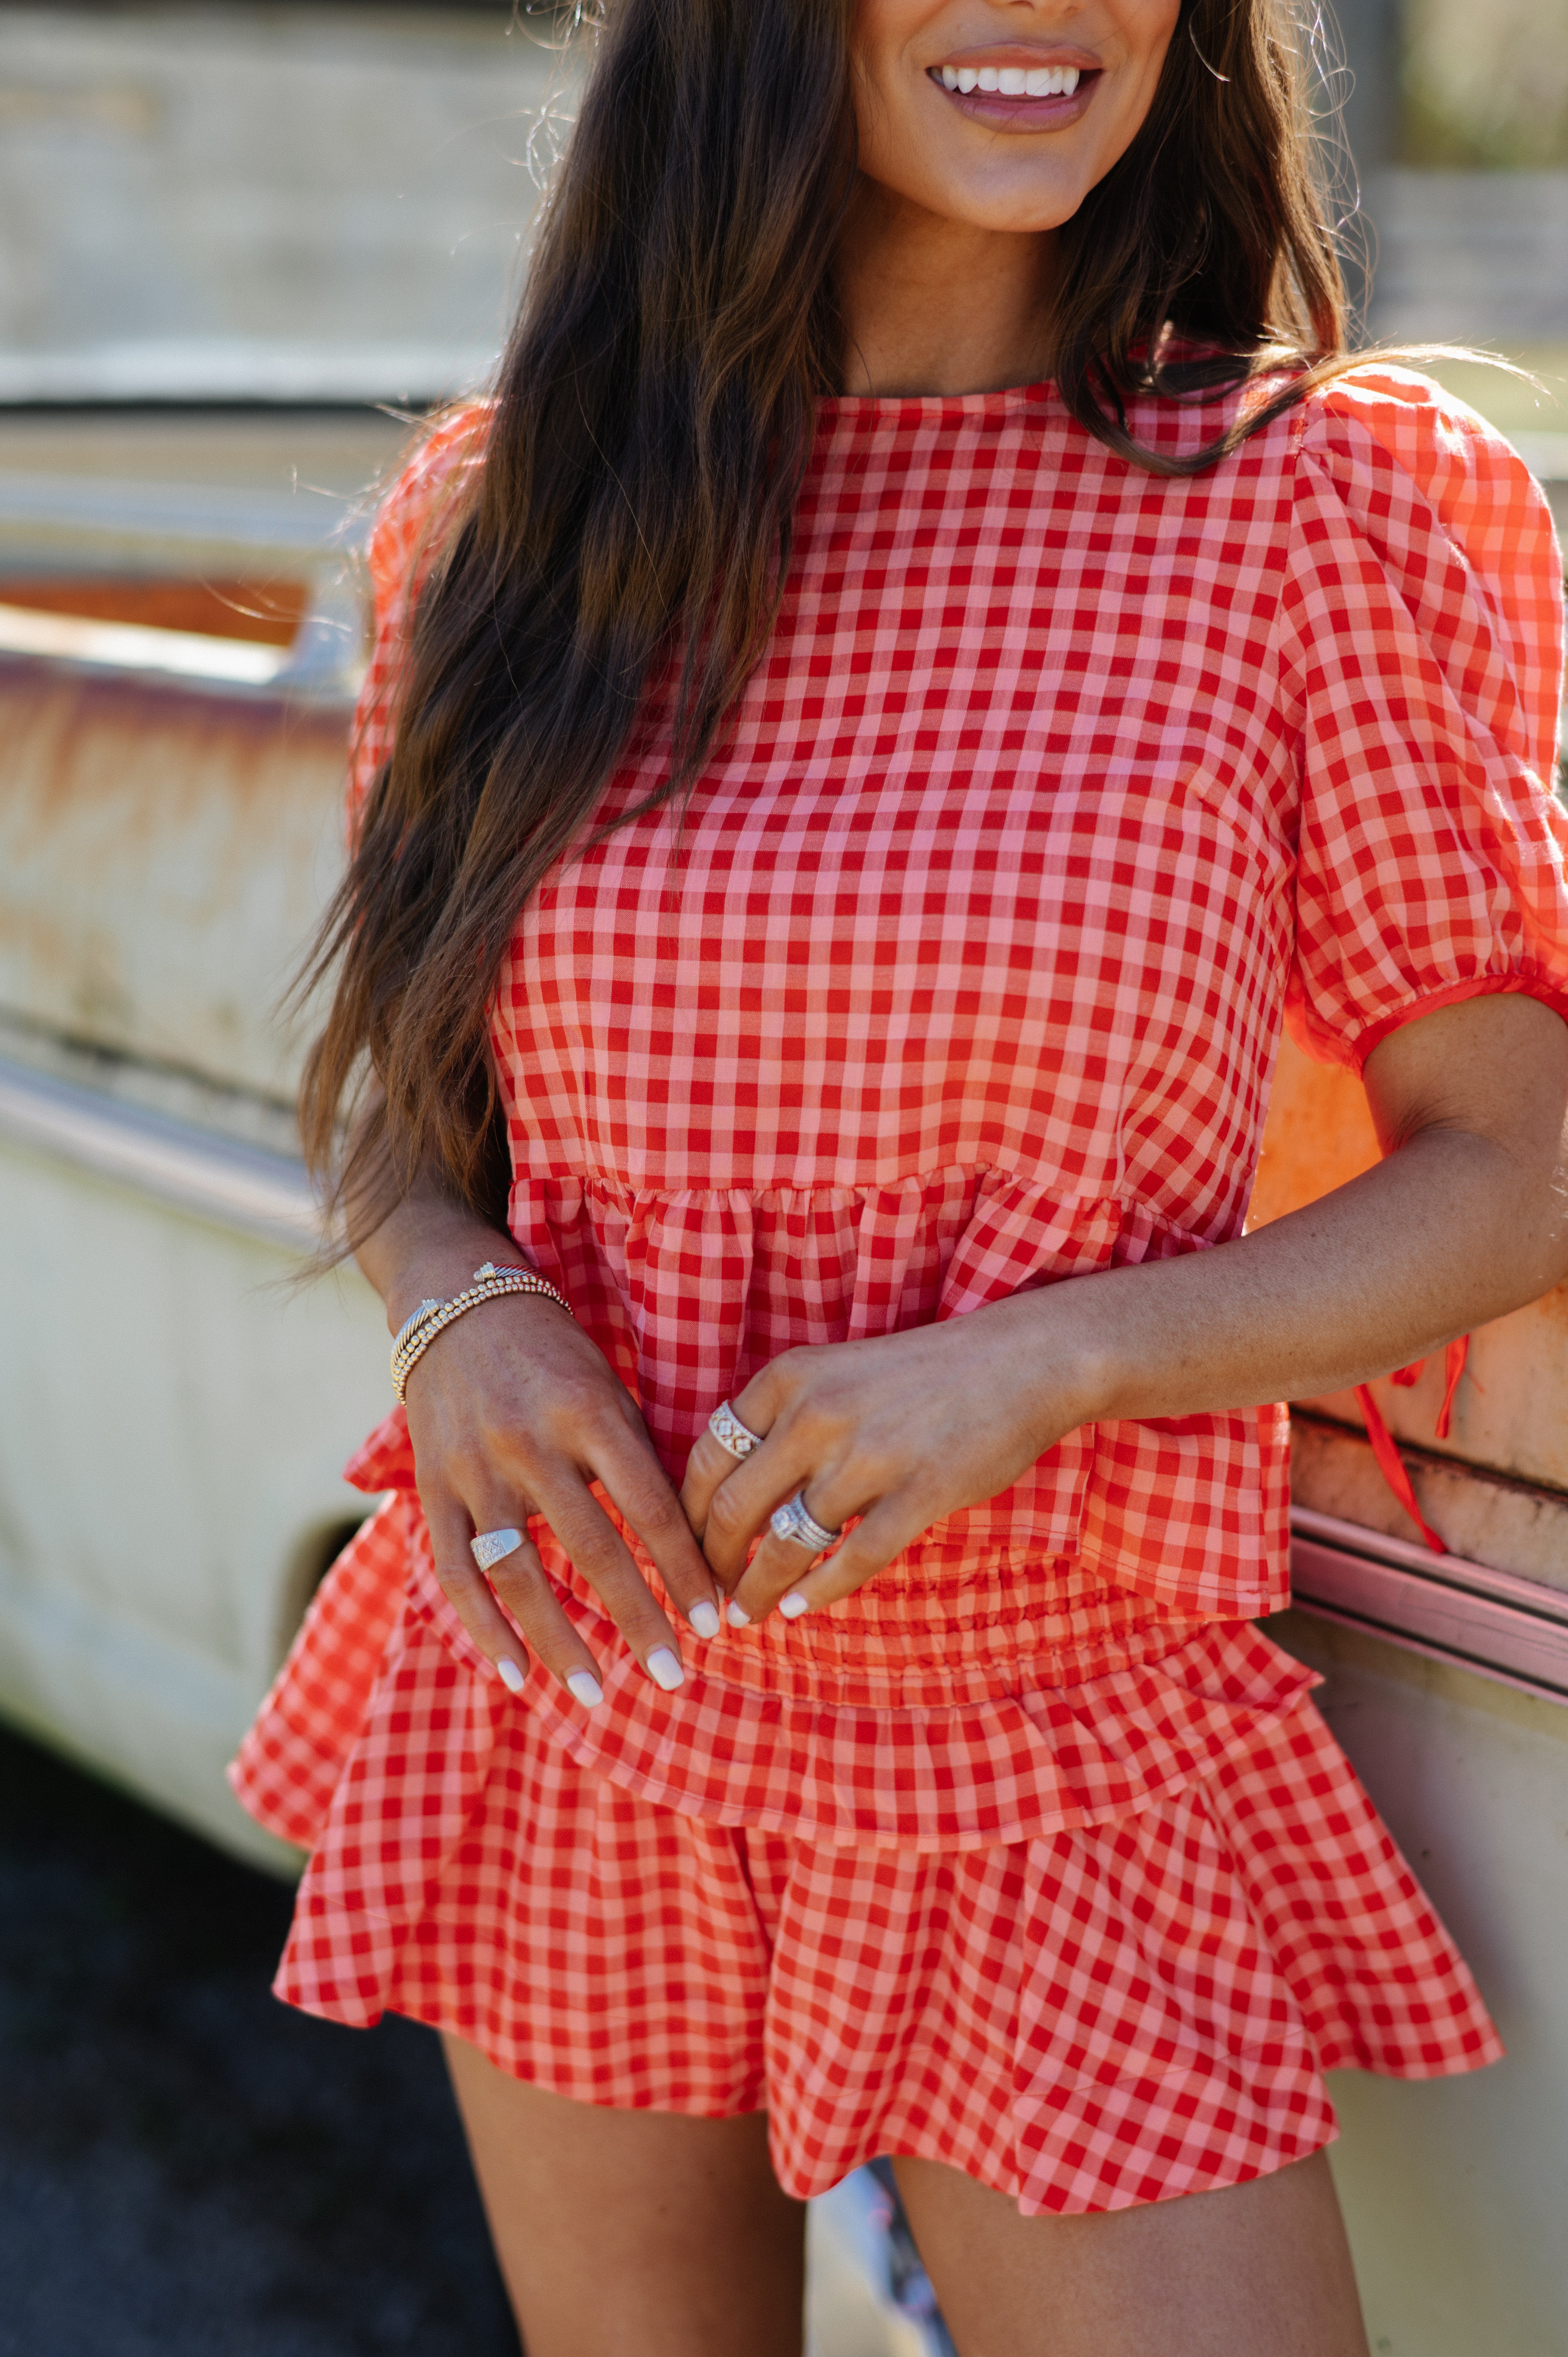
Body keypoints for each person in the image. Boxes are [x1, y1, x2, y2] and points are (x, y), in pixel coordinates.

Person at [231, 4, 1568, 2352]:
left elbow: (1516, 1163)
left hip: (1051, 1742)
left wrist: (1040, 1369)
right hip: (592, 1680)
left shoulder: (1305, 506)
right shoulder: (507, 508)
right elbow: (408, 1102)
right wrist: (461, 1305)